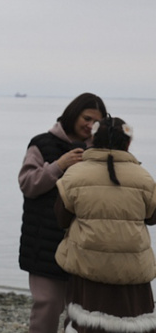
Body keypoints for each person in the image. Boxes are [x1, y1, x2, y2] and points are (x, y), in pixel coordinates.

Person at [55, 116, 156, 333]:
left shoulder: (75, 174)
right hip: (133, 270)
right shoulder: (144, 178)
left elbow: (61, 218)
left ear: (93, 140)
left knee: (88, 324)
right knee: (133, 324)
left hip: (88, 267)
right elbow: (153, 217)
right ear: (128, 143)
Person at [18, 93, 106, 333]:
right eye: (86, 118)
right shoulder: (42, 143)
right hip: (44, 242)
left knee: (81, 312)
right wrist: (59, 165)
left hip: (86, 243)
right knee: (47, 304)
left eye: (96, 122)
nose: (90, 125)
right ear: (73, 114)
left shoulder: (101, 151)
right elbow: (27, 184)